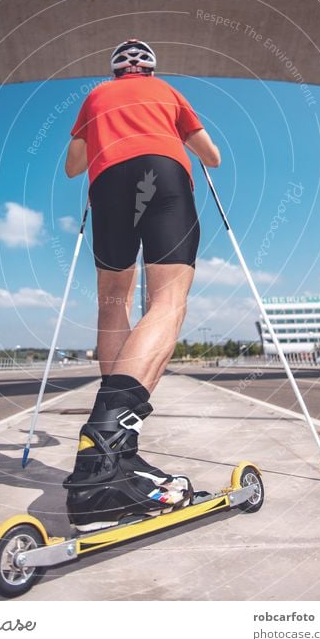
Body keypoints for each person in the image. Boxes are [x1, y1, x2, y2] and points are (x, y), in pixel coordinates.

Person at [62, 38, 221, 530]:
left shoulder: (94, 99)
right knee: (168, 300)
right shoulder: (168, 92)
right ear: (149, 68)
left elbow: (72, 165)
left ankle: (105, 454)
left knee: (113, 304)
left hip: (107, 185)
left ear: (114, 70)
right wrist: (176, 132)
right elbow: (210, 156)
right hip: (163, 174)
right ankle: (109, 445)